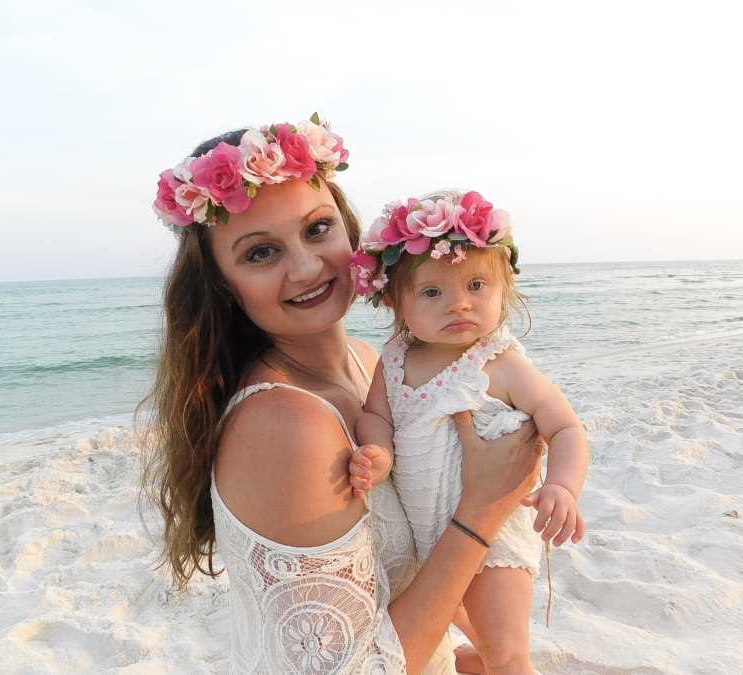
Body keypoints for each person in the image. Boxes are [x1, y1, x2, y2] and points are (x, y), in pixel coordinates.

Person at [140, 115, 543, 674]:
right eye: (260, 253)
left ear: (350, 230)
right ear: (222, 286)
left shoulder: (372, 362)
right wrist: (483, 509)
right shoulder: (285, 424)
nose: (306, 267)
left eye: (316, 229)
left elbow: (416, 561)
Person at [348, 191, 589, 674]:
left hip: (495, 539)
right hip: (429, 543)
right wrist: (377, 451)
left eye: (477, 284)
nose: (459, 303)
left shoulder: (500, 363)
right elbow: (378, 416)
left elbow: (564, 427)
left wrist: (562, 486)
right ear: (396, 301)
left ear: (505, 290)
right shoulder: (393, 360)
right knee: (471, 634)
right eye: (433, 292)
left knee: (508, 654)